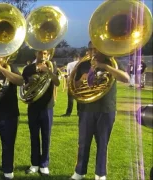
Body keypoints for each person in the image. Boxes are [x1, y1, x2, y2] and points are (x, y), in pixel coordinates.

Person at [70, 41, 129, 180]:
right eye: (90, 49)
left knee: (102, 143)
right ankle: (79, 172)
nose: (93, 52)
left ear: (102, 50)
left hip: (106, 108)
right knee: (83, 142)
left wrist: (105, 67)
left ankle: (100, 174)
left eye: (96, 49)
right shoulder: (83, 65)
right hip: (86, 109)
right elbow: (74, 86)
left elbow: (126, 78)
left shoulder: (111, 62)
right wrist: (81, 80)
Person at [22, 50, 60, 175]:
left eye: (45, 54)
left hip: (47, 107)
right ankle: (34, 163)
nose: (43, 56)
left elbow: (57, 82)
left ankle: (44, 164)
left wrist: (48, 71)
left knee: (46, 136)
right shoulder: (28, 69)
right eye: (40, 53)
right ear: (35, 54)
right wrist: (30, 82)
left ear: (48, 55)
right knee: (34, 136)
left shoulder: (52, 66)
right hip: (33, 106)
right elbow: (23, 87)